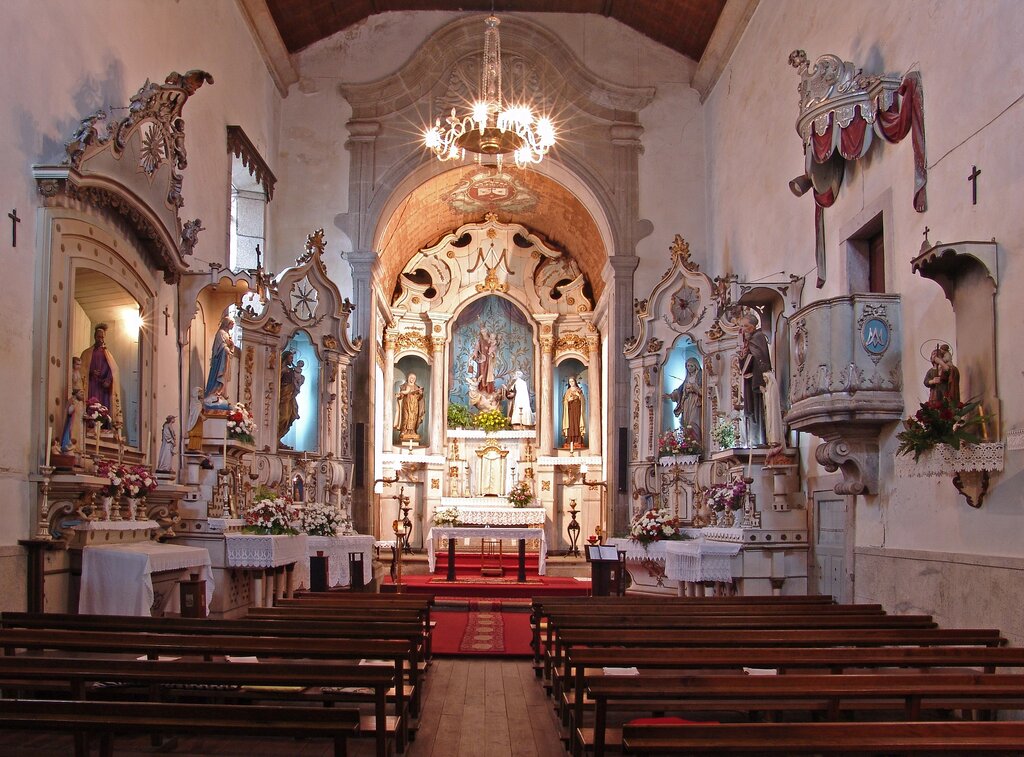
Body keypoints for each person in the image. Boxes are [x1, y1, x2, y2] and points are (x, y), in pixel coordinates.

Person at [80, 323, 123, 430]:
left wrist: (107, 380)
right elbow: (81, 370)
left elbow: (113, 370)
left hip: (102, 388)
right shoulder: (86, 353)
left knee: (103, 408)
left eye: (102, 337)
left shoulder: (107, 354)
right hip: (91, 385)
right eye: (99, 337)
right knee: (91, 406)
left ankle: (103, 428)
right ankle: (89, 427)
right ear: (95, 337)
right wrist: (91, 372)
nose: (101, 339)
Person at [737, 313, 771, 446]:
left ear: (752, 326)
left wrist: (758, 380)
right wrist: (742, 355)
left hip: (757, 380)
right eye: (741, 326)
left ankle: (760, 439)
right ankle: (754, 439)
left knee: (757, 410)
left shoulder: (758, 337)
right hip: (749, 380)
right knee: (752, 411)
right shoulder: (749, 341)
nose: (742, 329)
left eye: (745, 326)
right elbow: (744, 366)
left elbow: (760, 359)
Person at [667, 357, 703, 440]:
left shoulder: (700, 377)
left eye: (691, 366)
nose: (689, 368)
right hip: (686, 402)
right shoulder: (687, 378)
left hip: (695, 402)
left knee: (693, 422)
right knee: (686, 423)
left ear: (696, 366)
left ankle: (696, 441)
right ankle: (688, 441)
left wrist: (694, 388)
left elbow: (704, 391)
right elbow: (680, 391)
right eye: (688, 366)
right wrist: (671, 395)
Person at [204, 316, 236, 404]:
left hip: (225, 358)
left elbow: (230, 347)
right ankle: (215, 392)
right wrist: (226, 348)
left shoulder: (227, 334)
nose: (232, 325)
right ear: (227, 323)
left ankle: (220, 392)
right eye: (231, 324)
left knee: (224, 377)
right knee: (219, 375)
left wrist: (231, 346)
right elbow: (219, 347)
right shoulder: (221, 333)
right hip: (220, 360)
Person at [395, 372, 425, 443]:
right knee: (406, 417)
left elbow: (419, 398)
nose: (413, 379)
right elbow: (401, 395)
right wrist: (401, 394)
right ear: (408, 378)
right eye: (411, 378)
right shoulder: (404, 386)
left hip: (414, 405)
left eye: (414, 378)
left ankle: (412, 431)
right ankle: (404, 431)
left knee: (414, 418)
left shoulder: (416, 387)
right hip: (406, 404)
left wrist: (420, 394)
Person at [278, 350, 299, 439]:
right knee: (284, 417)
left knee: (291, 415)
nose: (292, 360)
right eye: (291, 358)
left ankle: (279, 437)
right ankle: (276, 436)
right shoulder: (282, 369)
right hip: (284, 394)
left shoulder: (291, 370)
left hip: (291, 395)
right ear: (286, 358)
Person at [561, 376, 586, 448]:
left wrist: (579, 396)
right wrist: (568, 400)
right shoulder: (568, 391)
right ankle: (570, 441)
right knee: (571, 424)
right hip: (570, 410)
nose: (571, 383)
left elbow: (583, 400)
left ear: (575, 382)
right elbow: (564, 401)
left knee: (577, 423)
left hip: (577, 410)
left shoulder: (579, 390)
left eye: (572, 381)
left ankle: (578, 441)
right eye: (570, 382)